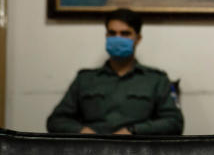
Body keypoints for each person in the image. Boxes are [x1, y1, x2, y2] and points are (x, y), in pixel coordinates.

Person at [47, 8, 184, 135]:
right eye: (112, 33)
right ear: (106, 35)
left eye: (125, 33)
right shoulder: (85, 79)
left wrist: (134, 131)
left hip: (137, 152)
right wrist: (82, 131)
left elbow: (174, 123)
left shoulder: (156, 80)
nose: (118, 38)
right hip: (91, 152)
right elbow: (56, 120)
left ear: (138, 39)